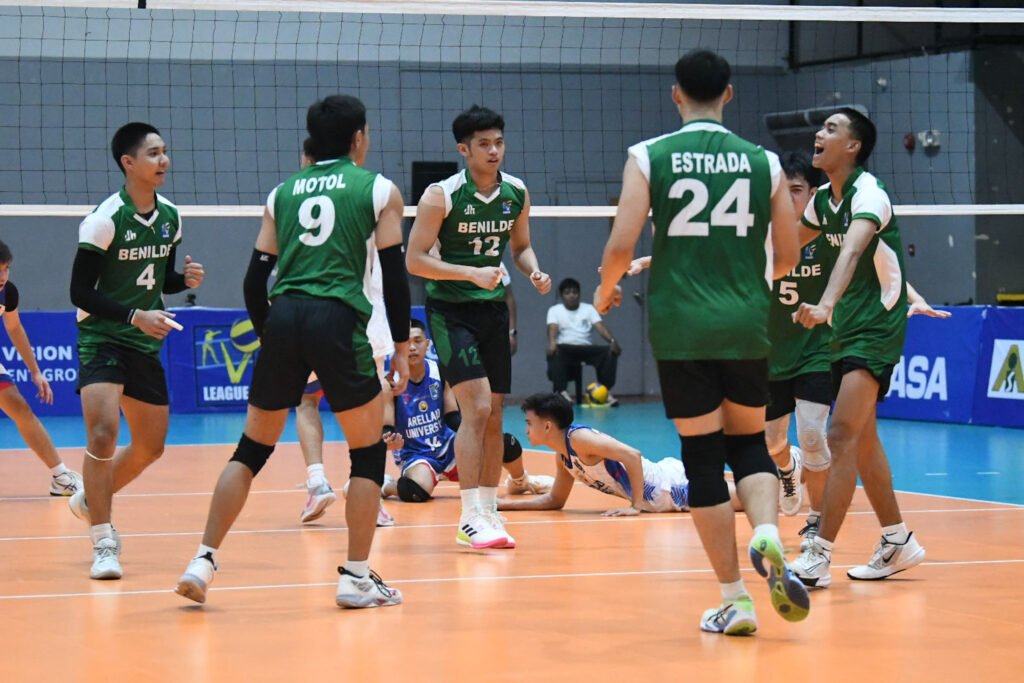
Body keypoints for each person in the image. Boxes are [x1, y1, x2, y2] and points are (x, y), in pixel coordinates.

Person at [595, 49, 808, 636]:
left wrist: (604, 291)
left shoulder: (649, 156)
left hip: (682, 328)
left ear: (675, 94)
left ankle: (735, 599)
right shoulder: (763, 163)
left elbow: (620, 246)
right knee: (751, 445)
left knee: (703, 459)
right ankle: (766, 531)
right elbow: (788, 257)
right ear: (730, 94)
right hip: (746, 325)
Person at [175, 95, 410, 609]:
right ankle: (356, 577)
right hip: (336, 319)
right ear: (358, 139)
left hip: (284, 316)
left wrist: (272, 335)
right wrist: (399, 346)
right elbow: (394, 274)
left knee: (250, 450)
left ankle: (203, 560)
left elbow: (254, 278)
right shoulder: (378, 189)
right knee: (368, 452)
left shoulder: (282, 192)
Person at [789, 108, 927, 588]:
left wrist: (825, 302)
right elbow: (787, 247)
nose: (818, 134)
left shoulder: (871, 194)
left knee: (842, 434)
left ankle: (818, 554)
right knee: (863, 441)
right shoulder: (823, 198)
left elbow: (849, 251)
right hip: (844, 329)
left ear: (853, 147)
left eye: (831, 129)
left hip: (875, 327)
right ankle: (897, 541)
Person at [406, 105, 551, 550]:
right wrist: (469, 273)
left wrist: (533, 271)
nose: (494, 151)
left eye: (499, 142)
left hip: (492, 312)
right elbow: (415, 259)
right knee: (477, 408)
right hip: (451, 312)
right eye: (484, 144)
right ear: (464, 149)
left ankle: (488, 512)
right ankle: (469, 515)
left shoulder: (516, 192)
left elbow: (521, 247)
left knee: (492, 417)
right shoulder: (441, 195)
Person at [68, 122, 205, 580]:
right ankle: (103, 540)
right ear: (128, 163)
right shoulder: (105, 219)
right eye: (152, 153)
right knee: (104, 432)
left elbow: (158, 278)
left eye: (165, 152)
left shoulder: (170, 215)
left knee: (151, 447)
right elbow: (79, 291)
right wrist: (134, 317)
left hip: (145, 340)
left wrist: (181, 281)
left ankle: (91, 497)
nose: (163, 160)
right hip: (103, 336)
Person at [290, 138, 395, 528]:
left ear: (307, 159)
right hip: (368, 315)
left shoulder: (290, 199)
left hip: (312, 314)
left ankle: (317, 482)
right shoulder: (369, 192)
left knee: (305, 401)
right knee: (370, 408)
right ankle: (367, 492)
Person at [379, 319, 552, 503]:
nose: (412, 347)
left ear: (427, 343)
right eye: (406, 342)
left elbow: (452, 417)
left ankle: (520, 481)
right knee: (414, 491)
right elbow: (387, 427)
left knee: (506, 443)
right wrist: (389, 441)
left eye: (418, 341)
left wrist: (480, 432)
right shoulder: (390, 383)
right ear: (398, 346)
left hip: (449, 446)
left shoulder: (439, 370)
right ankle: (386, 485)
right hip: (416, 454)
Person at [498, 393, 742, 515]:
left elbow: (632, 455)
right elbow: (555, 501)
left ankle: (774, 481)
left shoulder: (579, 439)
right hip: (662, 487)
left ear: (548, 425)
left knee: (744, 498)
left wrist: (635, 506)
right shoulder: (563, 456)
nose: (526, 429)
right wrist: (501, 505)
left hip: (669, 488)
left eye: (529, 423)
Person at [0, 241, 83, 495]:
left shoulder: (7, 293)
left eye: (6, 268)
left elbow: (13, 328)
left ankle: (60, 477)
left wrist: (35, 371)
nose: (3, 275)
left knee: (20, 408)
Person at [546, 277, 621, 406]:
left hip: (586, 348)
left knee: (609, 351)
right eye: (567, 292)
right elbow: (552, 328)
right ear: (562, 295)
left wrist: (612, 340)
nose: (571, 296)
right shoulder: (555, 310)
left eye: (574, 292)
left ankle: (604, 391)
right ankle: (561, 392)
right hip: (566, 348)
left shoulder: (588, 309)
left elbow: (600, 327)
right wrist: (552, 343)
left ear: (579, 294)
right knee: (555, 350)